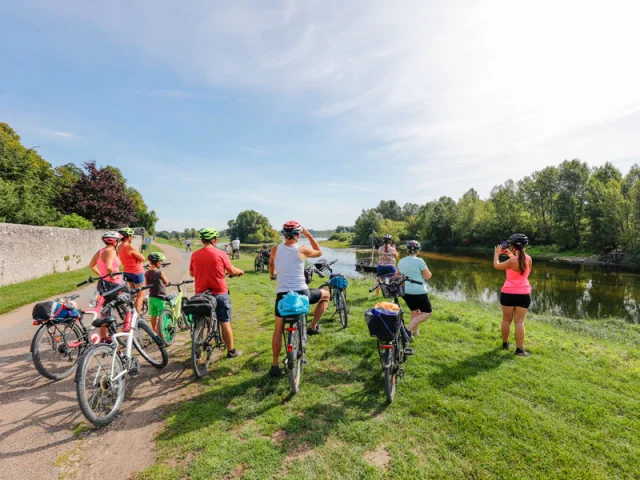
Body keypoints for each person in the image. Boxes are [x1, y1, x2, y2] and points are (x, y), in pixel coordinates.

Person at [269, 221, 330, 376]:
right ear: (298, 235)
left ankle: (275, 365)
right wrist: (308, 234)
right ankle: (313, 326)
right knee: (326, 295)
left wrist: (272, 275)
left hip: (283, 295)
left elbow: (271, 266)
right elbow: (319, 251)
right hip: (302, 293)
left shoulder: (275, 249)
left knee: (278, 329)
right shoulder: (302, 249)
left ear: (284, 234)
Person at [190, 227, 244, 358]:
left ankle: (197, 350)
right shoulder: (221, 254)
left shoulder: (195, 255)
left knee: (200, 322)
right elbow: (231, 270)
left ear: (202, 240)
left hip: (201, 294)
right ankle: (231, 352)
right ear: (214, 240)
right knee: (224, 321)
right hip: (219, 293)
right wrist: (240, 271)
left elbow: (192, 273)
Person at [494, 233, 532, 357]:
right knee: (519, 322)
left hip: (508, 293)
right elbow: (520, 266)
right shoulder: (529, 259)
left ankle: (505, 344)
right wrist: (510, 254)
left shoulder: (511, 262)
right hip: (524, 294)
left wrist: (497, 253)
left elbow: (497, 265)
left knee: (506, 320)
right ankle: (520, 350)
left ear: (513, 247)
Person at [88, 231, 122, 339]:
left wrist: (101, 274)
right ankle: (111, 334)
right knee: (114, 306)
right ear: (115, 242)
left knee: (105, 309)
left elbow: (91, 265)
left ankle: (103, 335)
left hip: (103, 283)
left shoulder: (100, 251)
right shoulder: (110, 251)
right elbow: (109, 267)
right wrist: (112, 277)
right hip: (112, 284)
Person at [397, 240, 433, 336]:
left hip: (406, 292)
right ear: (418, 251)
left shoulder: (401, 261)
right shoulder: (420, 261)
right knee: (427, 312)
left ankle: (415, 333)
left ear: (407, 250)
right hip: (419, 292)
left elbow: (396, 275)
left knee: (415, 312)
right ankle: (407, 330)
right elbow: (428, 276)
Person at [117, 227, 146, 314]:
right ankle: (136, 317)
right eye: (132, 236)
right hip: (136, 272)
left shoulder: (119, 247)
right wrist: (138, 258)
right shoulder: (129, 246)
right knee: (140, 295)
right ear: (128, 237)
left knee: (132, 293)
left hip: (127, 271)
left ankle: (129, 311)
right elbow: (142, 258)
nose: (132, 238)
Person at [145, 252, 169, 334]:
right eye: (160, 262)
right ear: (158, 262)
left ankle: (154, 330)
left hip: (151, 297)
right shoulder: (160, 272)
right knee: (161, 315)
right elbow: (166, 282)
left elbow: (146, 284)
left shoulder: (147, 273)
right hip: (160, 297)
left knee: (153, 315)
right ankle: (159, 332)